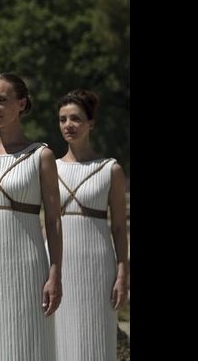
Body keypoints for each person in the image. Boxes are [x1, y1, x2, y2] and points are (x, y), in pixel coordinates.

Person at [0, 73, 63, 361]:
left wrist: (55, 273)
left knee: (27, 343)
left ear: (21, 104)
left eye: (2, 100)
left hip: (27, 265)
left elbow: (53, 220)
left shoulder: (41, 155)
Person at [53, 89, 128, 361]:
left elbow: (119, 228)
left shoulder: (110, 169)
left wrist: (122, 274)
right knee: (59, 339)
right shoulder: (49, 168)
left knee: (96, 337)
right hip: (59, 265)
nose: (68, 125)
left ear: (91, 123)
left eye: (75, 118)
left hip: (98, 266)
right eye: (62, 119)